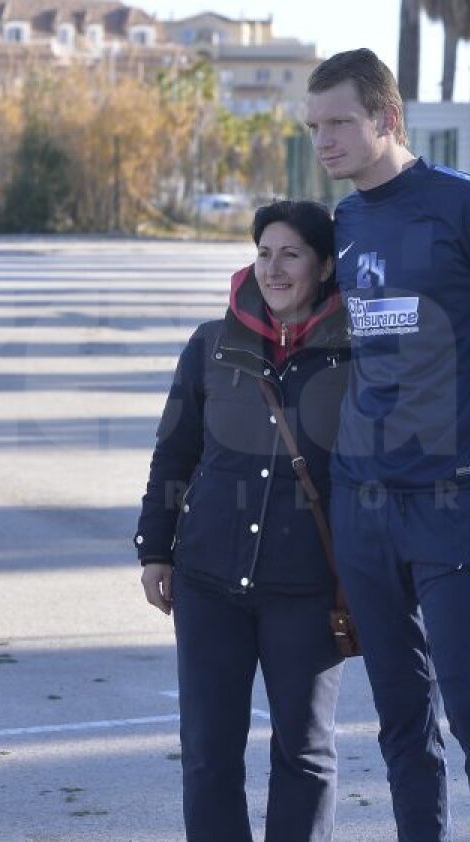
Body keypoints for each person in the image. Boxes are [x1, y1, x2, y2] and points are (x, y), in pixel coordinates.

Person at [305, 48, 470, 842]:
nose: (324, 140)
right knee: (400, 724)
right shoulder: (344, 222)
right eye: (314, 126)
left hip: (453, 507)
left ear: (387, 119)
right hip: (362, 509)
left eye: (340, 123)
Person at [136, 200, 349, 842]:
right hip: (208, 581)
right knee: (207, 753)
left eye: (291, 255)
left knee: (305, 754)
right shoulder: (211, 344)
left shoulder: (356, 355)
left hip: (306, 588)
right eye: (264, 254)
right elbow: (175, 451)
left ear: (324, 265)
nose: (274, 269)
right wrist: (156, 549)